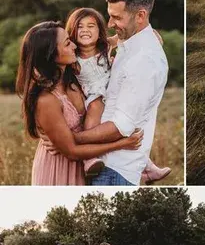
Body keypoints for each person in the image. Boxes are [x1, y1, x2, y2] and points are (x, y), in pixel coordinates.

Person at [16, 21, 142, 186]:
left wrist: (146, 36)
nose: (75, 45)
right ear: (50, 54)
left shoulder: (75, 76)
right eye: (68, 43)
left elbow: (105, 44)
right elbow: (72, 152)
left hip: (86, 163)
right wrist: (121, 144)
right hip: (58, 168)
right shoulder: (46, 100)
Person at [65, 7, 170, 183]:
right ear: (73, 32)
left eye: (91, 26)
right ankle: (90, 159)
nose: (85, 30)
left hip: (109, 88)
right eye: (80, 27)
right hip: (94, 94)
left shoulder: (105, 46)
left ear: (99, 31)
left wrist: (152, 36)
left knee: (132, 126)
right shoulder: (72, 56)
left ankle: (149, 168)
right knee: (94, 113)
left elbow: (128, 39)